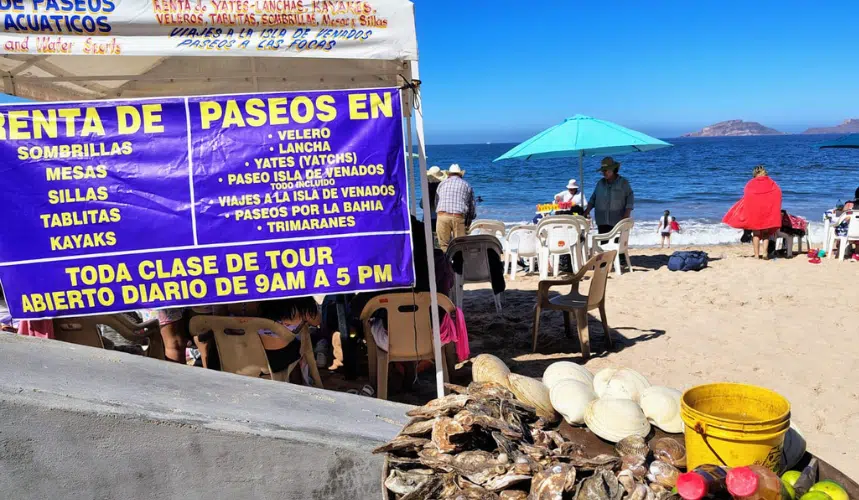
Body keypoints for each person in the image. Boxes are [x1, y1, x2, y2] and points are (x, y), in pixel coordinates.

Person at [722, 165, 782, 259]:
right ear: (764, 172)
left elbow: (747, 196)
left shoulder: (751, 183)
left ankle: (757, 255)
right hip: (767, 211)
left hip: (755, 212)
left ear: (754, 173)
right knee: (766, 233)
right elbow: (778, 193)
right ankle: (765, 253)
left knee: (756, 234)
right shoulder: (771, 182)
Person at [584, 157, 635, 233]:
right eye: (603, 171)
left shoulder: (623, 182)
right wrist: (586, 211)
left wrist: (627, 214)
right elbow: (593, 199)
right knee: (602, 244)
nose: (604, 173)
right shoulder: (600, 183)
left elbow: (630, 197)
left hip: (618, 221)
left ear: (613, 169)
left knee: (616, 244)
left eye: (606, 170)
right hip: (601, 221)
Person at [435, 164, 476, 252]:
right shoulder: (466, 185)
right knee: (459, 246)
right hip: (458, 216)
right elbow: (471, 206)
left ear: (449, 174)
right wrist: (469, 222)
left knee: (443, 245)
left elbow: (437, 202)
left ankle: (446, 263)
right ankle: (458, 264)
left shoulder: (442, 184)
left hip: (442, 215)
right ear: (460, 175)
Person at [422, 166, 446, 233]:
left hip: (427, 218)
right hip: (439, 218)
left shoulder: (427, 191)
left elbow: (422, 205)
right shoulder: (441, 190)